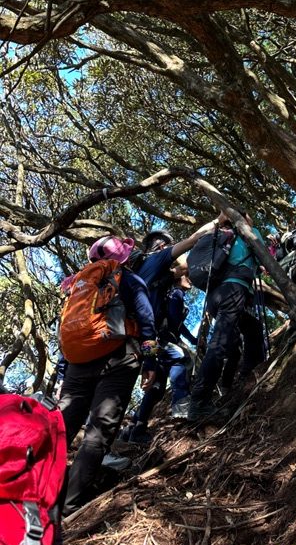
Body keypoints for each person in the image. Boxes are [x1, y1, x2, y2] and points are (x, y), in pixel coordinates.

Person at [58, 236, 157, 516]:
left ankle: (30, 495)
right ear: (124, 257)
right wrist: (150, 360)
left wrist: (65, 372)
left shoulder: (77, 285)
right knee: (97, 433)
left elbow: (66, 332)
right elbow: (146, 320)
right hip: (118, 360)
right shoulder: (128, 279)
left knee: (61, 431)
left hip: (77, 365)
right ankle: (70, 505)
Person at [187, 208, 265, 423]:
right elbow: (264, 258)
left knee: (252, 328)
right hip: (234, 289)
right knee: (219, 343)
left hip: (215, 295)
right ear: (243, 218)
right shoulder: (250, 232)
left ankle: (248, 375)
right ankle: (199, 402)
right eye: (249, 215)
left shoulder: (221, 236)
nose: (252, 218)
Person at [124, 263, 197, 442]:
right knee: (181, 359)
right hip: (161, 341)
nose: (190, 281)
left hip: (150, 341)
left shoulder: (166, 294)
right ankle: (182, 414)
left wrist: (193, 340)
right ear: (178, 278)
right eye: (187, 277)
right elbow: (173, 320)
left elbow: (177, 325)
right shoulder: (176, 293)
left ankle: (134, 428)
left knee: (156, 387)